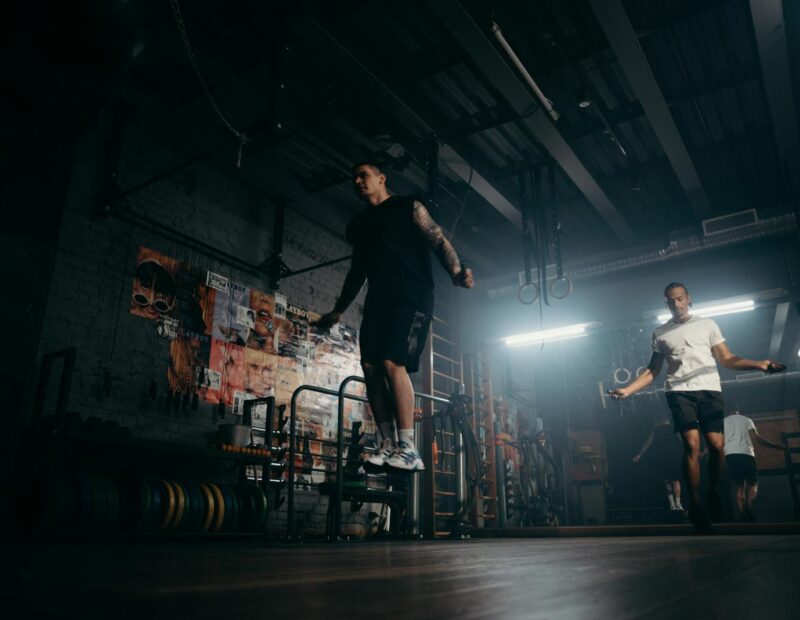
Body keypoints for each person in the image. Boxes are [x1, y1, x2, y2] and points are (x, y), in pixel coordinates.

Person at [314, 162, 473, 471]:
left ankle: (408, 447)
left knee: (391, 362)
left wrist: (455, 270)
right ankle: (387, 444)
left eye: (364, 175)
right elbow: (357, 272)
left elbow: (437, 238)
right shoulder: (358, 226)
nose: (358, 180)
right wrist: (338, 310)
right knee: (370, 366)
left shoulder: (407, 206)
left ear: (381, 178)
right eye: (354, 177)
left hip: (412, 296)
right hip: (378, 300)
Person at [609, 282, 785, 532]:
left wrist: (760, 364)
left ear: (689, 299)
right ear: (666, 304)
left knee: (716, 446)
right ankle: (696, 505)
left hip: (709, 390)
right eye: (671, 301)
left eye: (680, 299)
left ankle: (712, 490)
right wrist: (627, 390)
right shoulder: (660, 333)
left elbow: (727, 358)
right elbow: (653, 370)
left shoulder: (707, 325)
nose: (676, 304)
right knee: (692, 444)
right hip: (679, 392)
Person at [724, 406, 786, 521]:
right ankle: (749, 506)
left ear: (728, 411)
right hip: (746, 453)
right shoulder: (746, 420)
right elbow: (757, 438)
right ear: (739, 410)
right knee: (752, 483)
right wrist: (775, 446)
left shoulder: (723, 422)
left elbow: (717, 441)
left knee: (739, 485)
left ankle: (741, 512)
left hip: (730, 455)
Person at [632, 415, 685, 513]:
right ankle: (675, 504)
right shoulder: (664, 428)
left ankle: (674, 504)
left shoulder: (659, 428)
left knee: (669, 481)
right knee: (673, 480)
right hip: (669, 456)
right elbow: (681, 440)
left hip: (666, 456)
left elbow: (648, 443)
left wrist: (640, 454)